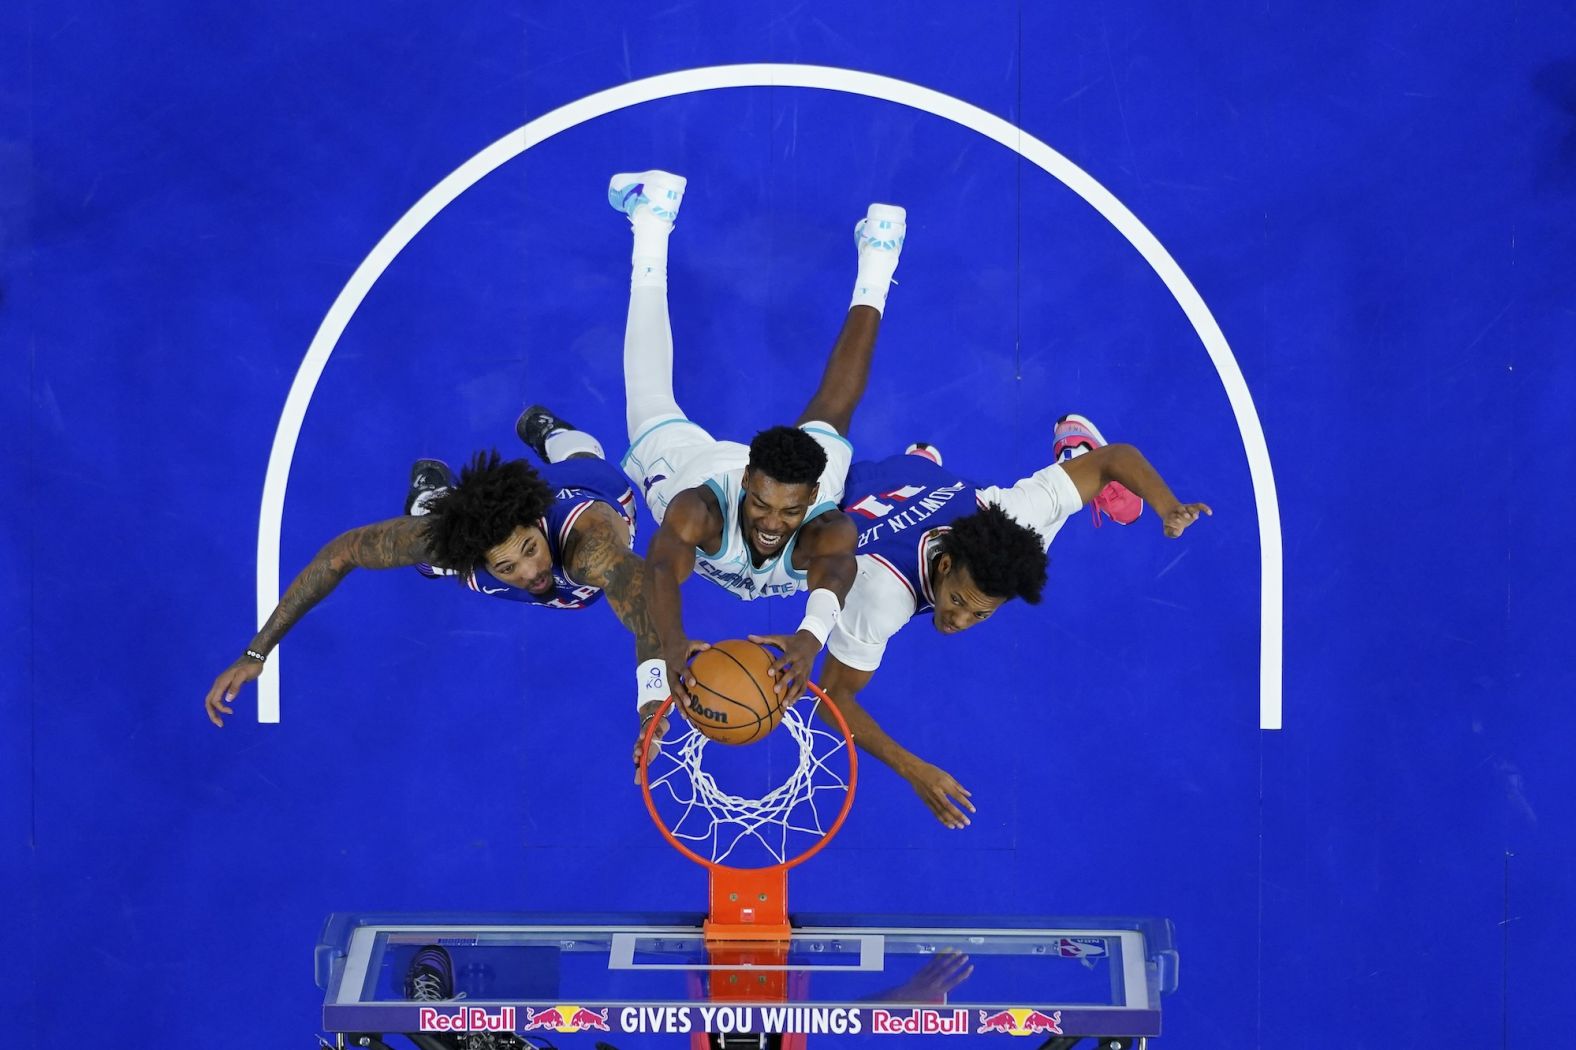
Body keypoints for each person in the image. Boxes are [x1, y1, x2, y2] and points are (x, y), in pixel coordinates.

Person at [604, 169, 906, 751]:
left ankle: (880, 253)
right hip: (691, 462)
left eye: (788, 513)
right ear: (747, 482)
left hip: (791, 479)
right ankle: (651, 221)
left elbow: (838, 570)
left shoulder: (822, 523)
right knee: (647, 400)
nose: (771, 524)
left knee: (832, 410)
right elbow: (661, 570)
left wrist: (809, 639)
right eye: (762, 504)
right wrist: (671, 644)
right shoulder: (699, 510)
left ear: (810, 499)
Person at [786, 414, 1211, 828]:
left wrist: (1168, 507)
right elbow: (833, 696)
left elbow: (1114, 456)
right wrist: (915, 771)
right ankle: (933, 466)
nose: (959, 620)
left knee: (1032, 542)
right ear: (945, 563)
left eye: (981, 613)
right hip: (863, 493)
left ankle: (1075, 452)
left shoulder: (1011, 513)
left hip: (935, 489)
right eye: (958, 601)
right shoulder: (879, 597)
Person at [203, 410, 663, 727]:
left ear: (535, 525)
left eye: (528, 548)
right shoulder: (455, 551)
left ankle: (547, 431)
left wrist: (652, 699)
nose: (530, 573)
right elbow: (340, 553)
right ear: (483, 560)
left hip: (590, 487)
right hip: (453, 539)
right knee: (431, 556)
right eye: (505, 566)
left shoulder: (590, 547)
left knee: (581, 458)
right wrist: (256, 653)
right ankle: (432, 502)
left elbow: (645, 605)